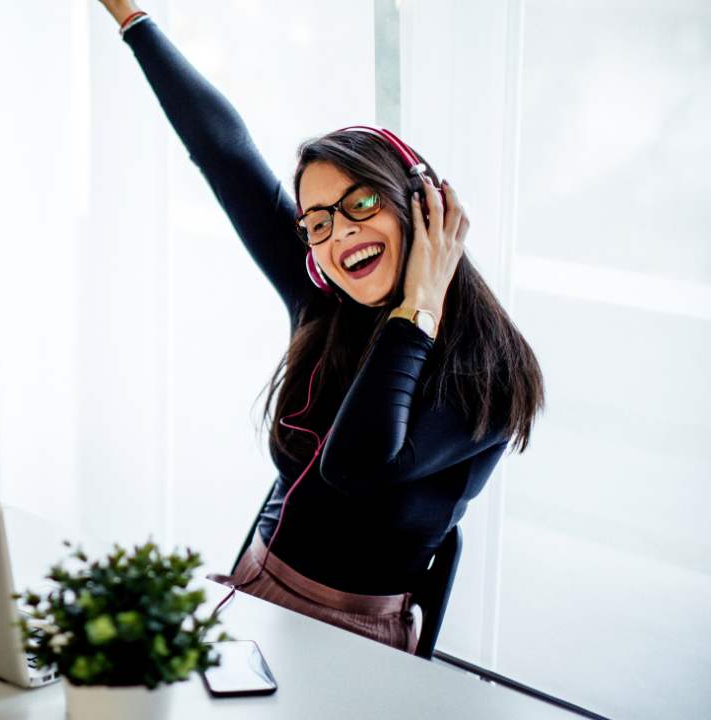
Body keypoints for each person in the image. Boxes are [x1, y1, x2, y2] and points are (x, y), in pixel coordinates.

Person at [97, 2, 545, 654]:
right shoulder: (324, 301)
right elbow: (224, 154)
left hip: (355, 639)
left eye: (361, 203)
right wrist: (129, 14)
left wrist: (418, 304)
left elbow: (356, 469)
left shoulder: (489, 369)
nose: (341, 234)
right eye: (318, 223)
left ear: (420, 204)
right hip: (246, 595)